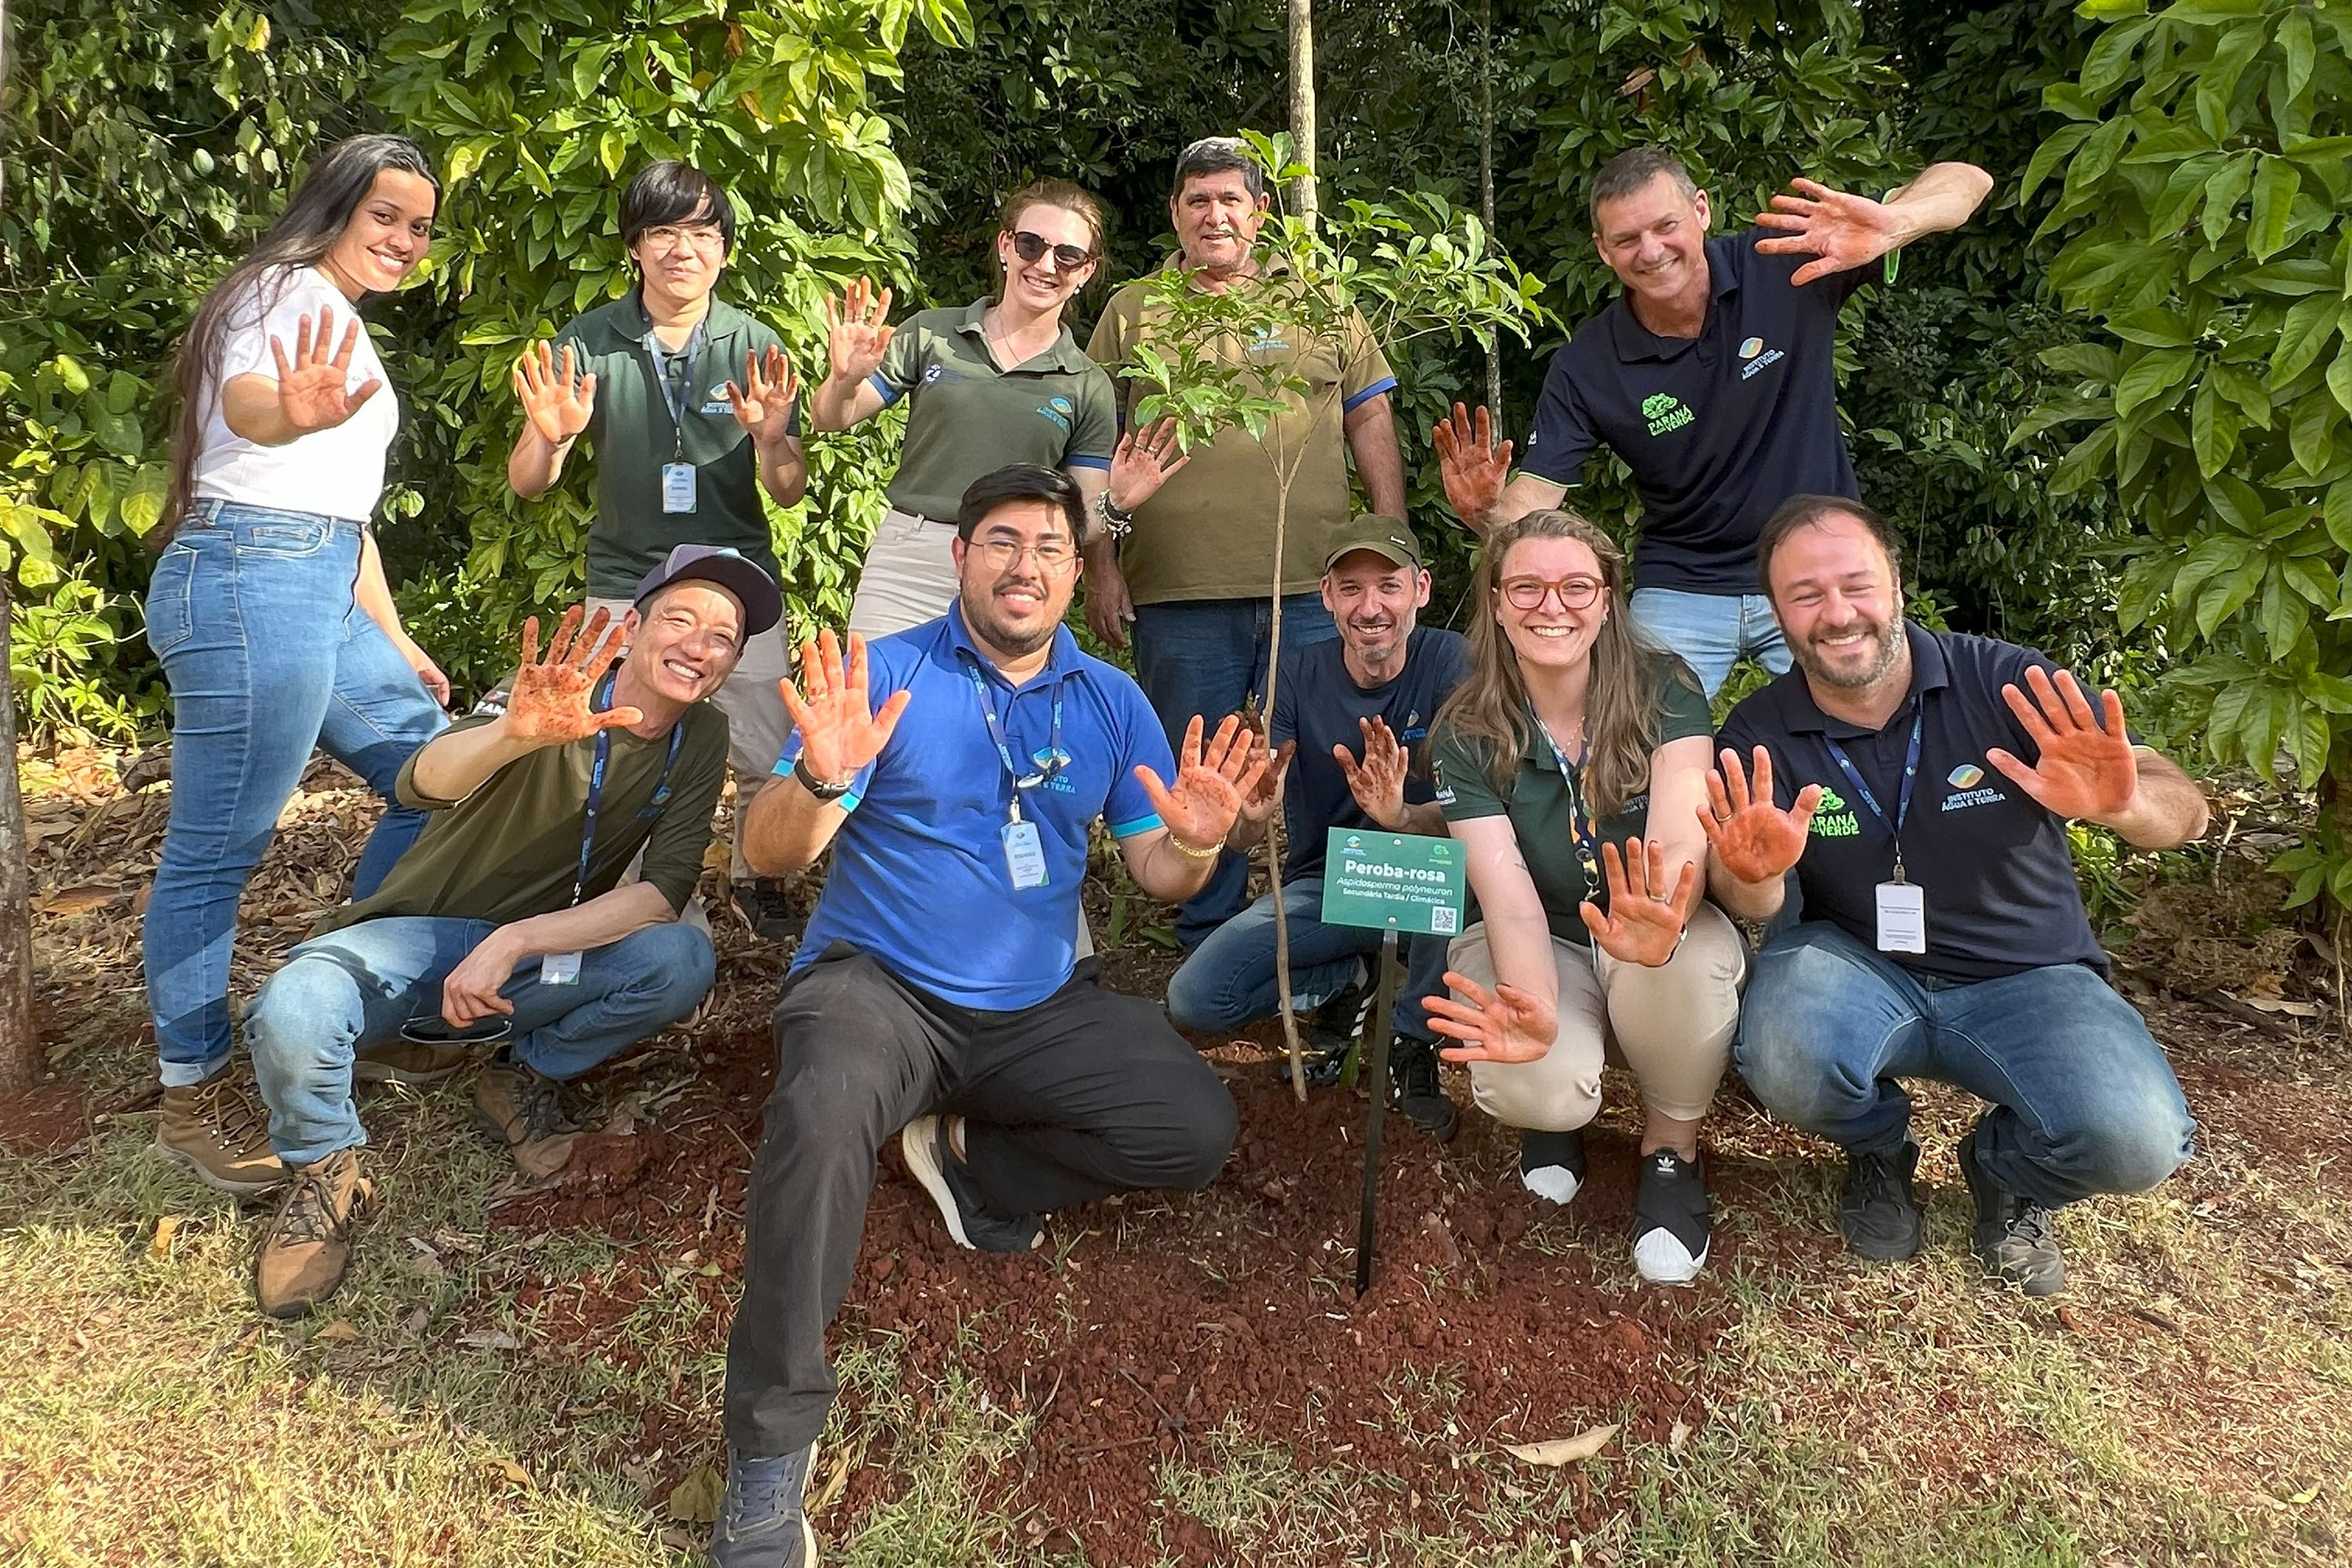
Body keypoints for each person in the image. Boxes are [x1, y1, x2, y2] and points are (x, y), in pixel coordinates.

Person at [710, 466, 1255, 1567]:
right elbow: (768, 854)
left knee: (1193, 1129)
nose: (1028, 567)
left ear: (1075, 570)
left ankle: (969, 1164)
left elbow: (1157, 874)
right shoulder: (887, 676)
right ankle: (768, 1454)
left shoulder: (1109, 699)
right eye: (1003, 542)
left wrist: (1197, 842)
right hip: (881, 988)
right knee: (819, 1121)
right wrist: (819, 781)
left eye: (1052, 549)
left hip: (1038, 1003)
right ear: (959, 557)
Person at [240, 546, 778, 1319]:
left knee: (681, 956)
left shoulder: (699, 739)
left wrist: (519, 939)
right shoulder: (554, 694)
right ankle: (327, 1165)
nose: (700, 645)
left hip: (530, 957)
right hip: (422, 942)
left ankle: (521, 1072)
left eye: (723, 637)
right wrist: (513, 736)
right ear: (632, 625)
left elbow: (662, 892)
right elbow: (418, 780)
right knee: (296, 1006)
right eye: (682, 619)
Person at [1706, 495, 2205, 1298]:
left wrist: (2124, 806)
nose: (1837, 614)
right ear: (1778, 613)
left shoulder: (2008, 683)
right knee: (1785, 1052)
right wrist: (1755, 873)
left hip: (2029, 977)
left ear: (1897, 583)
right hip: (1860, 966)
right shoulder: (1758, 732)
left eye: (1856, 584)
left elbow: (2187, 806)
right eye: (1806, 595)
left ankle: (2003, 1170)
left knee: (2139, 1140)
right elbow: (1749, 903)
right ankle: (1878, 1148)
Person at [144, 133, 452, 1200]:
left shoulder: (340, 320)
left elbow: (343, 515)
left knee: (441, 777)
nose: (407, 241)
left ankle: (333, 999)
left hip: (316, 574)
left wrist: (398, 636)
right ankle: (192, 1091)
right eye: (387, 218)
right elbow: (247, 407)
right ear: (333, 206)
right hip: (247, 576)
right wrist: (290, 409)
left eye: (421, 226)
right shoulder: (282, 292)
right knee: (216, 850)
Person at [1434, 145, 1992, 695]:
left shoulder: (1784, 261)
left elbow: (1967, 178)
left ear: (1701, 211)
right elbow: (1534, 497)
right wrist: (1487, 514)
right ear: (1604, 251)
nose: (1651, 252)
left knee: (1870, 706)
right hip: (1684, 580)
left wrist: (1896, 223)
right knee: (1626, 726)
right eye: (1627, 240)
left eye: (1665, 226)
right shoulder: (1588, 364)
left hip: (1814, 560)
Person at [1086, 135, 1410, 946]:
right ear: (1174, 213)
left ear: (1261, 212)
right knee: (1204, 764)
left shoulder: (1318, 302)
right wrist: (1100, 563)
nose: (1214, 213)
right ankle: (1212, 934)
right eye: (1197, 199)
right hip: (1176, 586)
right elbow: (1097, 444)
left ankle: (1332, 929)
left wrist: (1391, 534)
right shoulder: (1135, 309)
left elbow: (1369, 413)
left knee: (1323, 757)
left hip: (1310, 583)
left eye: (1231, 198)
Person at [1417, 510, 1747, 1285]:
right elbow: (1508, 896)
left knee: (1687, 963)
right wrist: (1533, 1008)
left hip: (1649, 916)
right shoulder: (1466, 728)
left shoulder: (1666, 688)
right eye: (1526, 586)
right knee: (1533, 1070)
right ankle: (1552, 1116)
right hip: (1549, 929)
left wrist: (1655, 920)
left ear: (1607, 601)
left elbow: (1677, 842)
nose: (1551, 605)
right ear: (1497, 603)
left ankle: (1670, 1148)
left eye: (1575, 586)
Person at [506, 161, 809, 937]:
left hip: (737, 581)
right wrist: (550, 436)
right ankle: (631, 893)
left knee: (761, 741)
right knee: (623, 741)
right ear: (635, 248)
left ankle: (757, 876)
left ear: (726, 250)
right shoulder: (589, 341)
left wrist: (774, 441)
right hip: (626, 580)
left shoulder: (754, 343)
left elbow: (787, 488)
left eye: (704, 233)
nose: (685, 249)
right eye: (665, 232)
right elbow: (529, 480)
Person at [1164, 514, 1469, 1138]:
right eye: (1350, 589)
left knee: (1457, 876)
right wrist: (1247, 820)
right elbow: (1255, 823)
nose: (1370, 607)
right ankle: (1349, 978)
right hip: (1331, 882)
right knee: (1195, 998)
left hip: (1429, 886)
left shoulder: (1452, 662)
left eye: (1388, 585)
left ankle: (1412, 1046)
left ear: (1421, 589)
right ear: (1326, 598)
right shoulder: (1297, 673)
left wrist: (1401, 817)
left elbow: (1479, 819)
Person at [808, 179, 1188, 640]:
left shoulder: (1087, 384)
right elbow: (830, 418)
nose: (1046, 265)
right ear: (1006, 246)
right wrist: (844, 379)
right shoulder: (931, 333)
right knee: (875, 699)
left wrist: (1118, 504)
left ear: (1086, 271)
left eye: (1067, 255)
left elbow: (1083, 521)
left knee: (992, 711)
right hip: (912, 554)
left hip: (1017, 565)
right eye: (1031, 244)